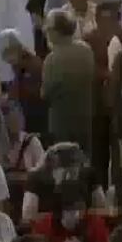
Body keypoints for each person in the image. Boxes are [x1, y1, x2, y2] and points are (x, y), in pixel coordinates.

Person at [42, 11, 97, 152]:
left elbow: (45, 94)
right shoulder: (86, 50)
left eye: (48, 28)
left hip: (61, 123)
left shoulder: (52, 59)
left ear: (57, 31)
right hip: (85, 119)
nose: (45, 31)